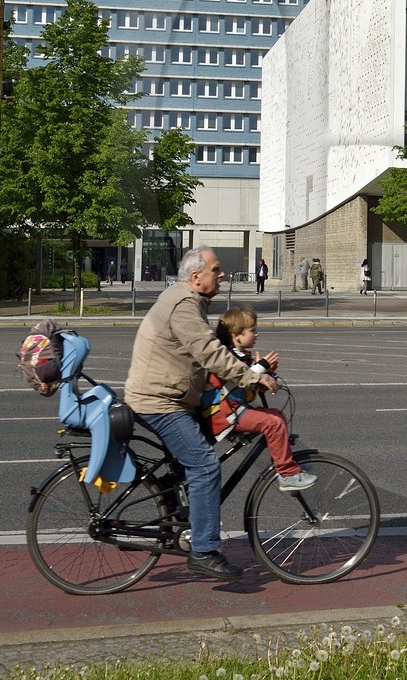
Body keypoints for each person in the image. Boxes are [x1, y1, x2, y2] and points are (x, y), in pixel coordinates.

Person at [124, 246, 269, 580]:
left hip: (171, 396)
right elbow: (209, 352)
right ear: (196, 277)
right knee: (204, 466)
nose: (222, 274)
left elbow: (207, 353)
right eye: (216, 270)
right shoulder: (184, 305)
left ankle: (169, 498)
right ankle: (204, 550)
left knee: (194, 459)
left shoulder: (188, 300)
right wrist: (251, 377)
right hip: (159, 401)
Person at [199, 306, 316, 492]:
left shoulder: (240, 356)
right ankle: (287, 474)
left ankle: (283, 461)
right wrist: (261, 368)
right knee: (273, 423)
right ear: (236, 335)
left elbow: (243, 385)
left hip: (234, 410)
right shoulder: (227, 356)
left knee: (277, 415)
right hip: (222, 415)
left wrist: (265, 377)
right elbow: (239, 377)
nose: (257, 334)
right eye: (252, 330)